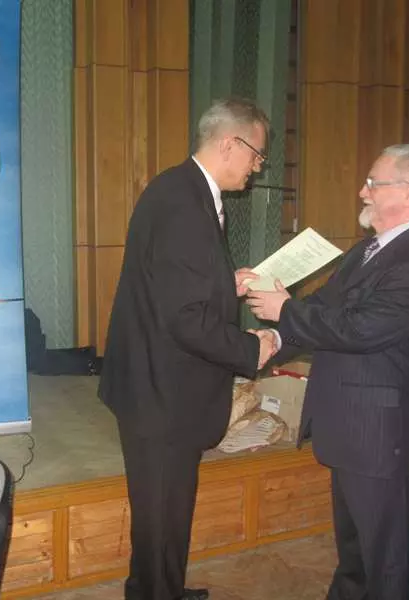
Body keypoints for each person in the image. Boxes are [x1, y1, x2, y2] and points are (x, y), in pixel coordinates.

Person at [246, 144, 409, 600]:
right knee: (355, 554)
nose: (362, 191)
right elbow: (323, 308)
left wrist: (285, 311)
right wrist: (273, 339)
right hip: (350, 426)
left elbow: (359, 330)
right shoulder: (369, 250)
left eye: (373, 183)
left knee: (385, 561)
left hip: (379, 434)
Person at [98, 97, 279, 600]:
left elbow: (173, 284)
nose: (257, 167)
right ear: (230, 144)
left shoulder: (180, 189)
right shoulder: (185, 204)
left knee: (164, 515)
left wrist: (225, 283)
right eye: (256, 155)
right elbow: (184, 319)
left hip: (158, 384)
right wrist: (251, 348)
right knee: (162, 515)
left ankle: (160, 590)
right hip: (162, 393)